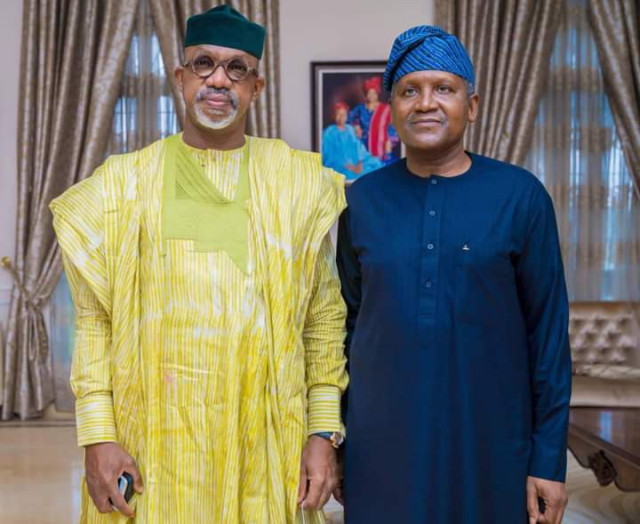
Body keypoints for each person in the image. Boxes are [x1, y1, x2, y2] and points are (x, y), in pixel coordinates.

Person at [51, 6, 348, 523]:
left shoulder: (296, 184)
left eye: (237, 68)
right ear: (180, 78)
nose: (218, 79)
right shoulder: (124, 186)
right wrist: (97, 433)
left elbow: (322, 319)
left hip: (267, 450)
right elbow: (94, 319)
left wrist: (322, 433)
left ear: (256, 86)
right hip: (153, 451)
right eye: (204, 64)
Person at [336, 25, 571, 524]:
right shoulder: (359, 201)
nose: (426, 103)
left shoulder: (521, 196)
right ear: (392, 106)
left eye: (443, 88)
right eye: (409, 90)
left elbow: (548, 336)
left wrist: (548, 459)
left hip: (490, 446)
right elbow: (342, 330)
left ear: (474, 105)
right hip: (381, 450)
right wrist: (335, 442)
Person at [322, 102, 383, 181]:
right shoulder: (329, 132)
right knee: (345, 174)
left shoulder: (350, 129)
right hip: (341, 165)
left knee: (376, 163)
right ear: (334, 116)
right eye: (338, 115)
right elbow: (329, 154)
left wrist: (360, 163)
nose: (341, 117)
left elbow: (358, 147)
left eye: (343, 115)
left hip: (356, 162)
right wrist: (350, 167)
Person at [347, 76, 398, 164]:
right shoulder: (360, 108)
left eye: (373, 93)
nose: (371, 96)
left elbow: (393, 126)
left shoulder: (386, 109)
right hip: (363, 146)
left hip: (381, 146)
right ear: (365, 95)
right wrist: (355, 126)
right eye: (369, 93)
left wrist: (390, 141)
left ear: (377, 94)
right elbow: (347, 119)